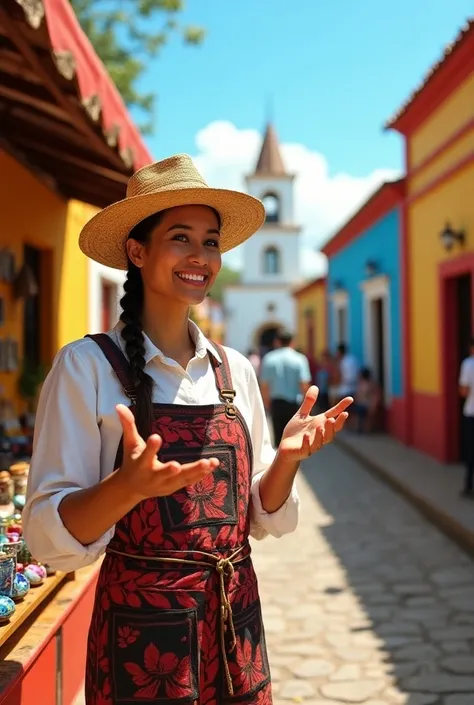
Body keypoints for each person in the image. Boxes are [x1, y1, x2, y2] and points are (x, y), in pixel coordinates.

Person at [22, 155, 352, 705]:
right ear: (137, 250)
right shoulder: (86, 367)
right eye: (181, 237)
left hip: (235, 623)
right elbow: (45, 534)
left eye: (211, 241)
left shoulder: (235, 370)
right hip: (141, 644)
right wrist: (125, 488)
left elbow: (257, 515)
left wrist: (288, 461)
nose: (201, 256)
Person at [259, 330, 313, 446]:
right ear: (292, 342)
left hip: (276, 403)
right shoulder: (300, 359)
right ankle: (294, 463)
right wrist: (307, 405)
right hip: (294, 404)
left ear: (277, 342)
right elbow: (304, 384)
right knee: (295, 438)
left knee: (279, 439)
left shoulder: (269, 358)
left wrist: (266, 402)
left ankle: (281, 462)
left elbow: (264, 385)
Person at [459, 337, 474, 498]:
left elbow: (464, 391)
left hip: (471, 412)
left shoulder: (469, 364)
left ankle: (469, 486)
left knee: (470, 452)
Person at [352, 367, 381, 434]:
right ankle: (358, 429)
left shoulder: (371, 385)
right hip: (361, 404)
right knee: (357, 414)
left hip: (368, 405)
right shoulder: (361, 384)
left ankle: (366, 430)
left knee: (366, 417)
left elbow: (376, 396)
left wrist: (373, 405)